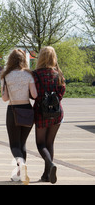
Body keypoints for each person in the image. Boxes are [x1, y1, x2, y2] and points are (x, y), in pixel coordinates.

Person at [1, 49, 37, 184]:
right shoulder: (29, 74)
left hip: (13, 109)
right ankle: (19, 174)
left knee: (14, 144)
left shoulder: (6, 75)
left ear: (10, 60)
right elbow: (34, 95)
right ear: (24, 60)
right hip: (27, 109)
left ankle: (20, 164)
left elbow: (5, 98)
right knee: (22, 143)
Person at [33, 46, 66, 184]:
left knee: (40, 144)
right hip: (57, 113)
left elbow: (33, 94)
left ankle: (50, 167)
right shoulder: (58, 74)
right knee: (50, 143)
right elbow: (62, 90)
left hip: (41, 112)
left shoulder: (35, 74)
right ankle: (46, 175)